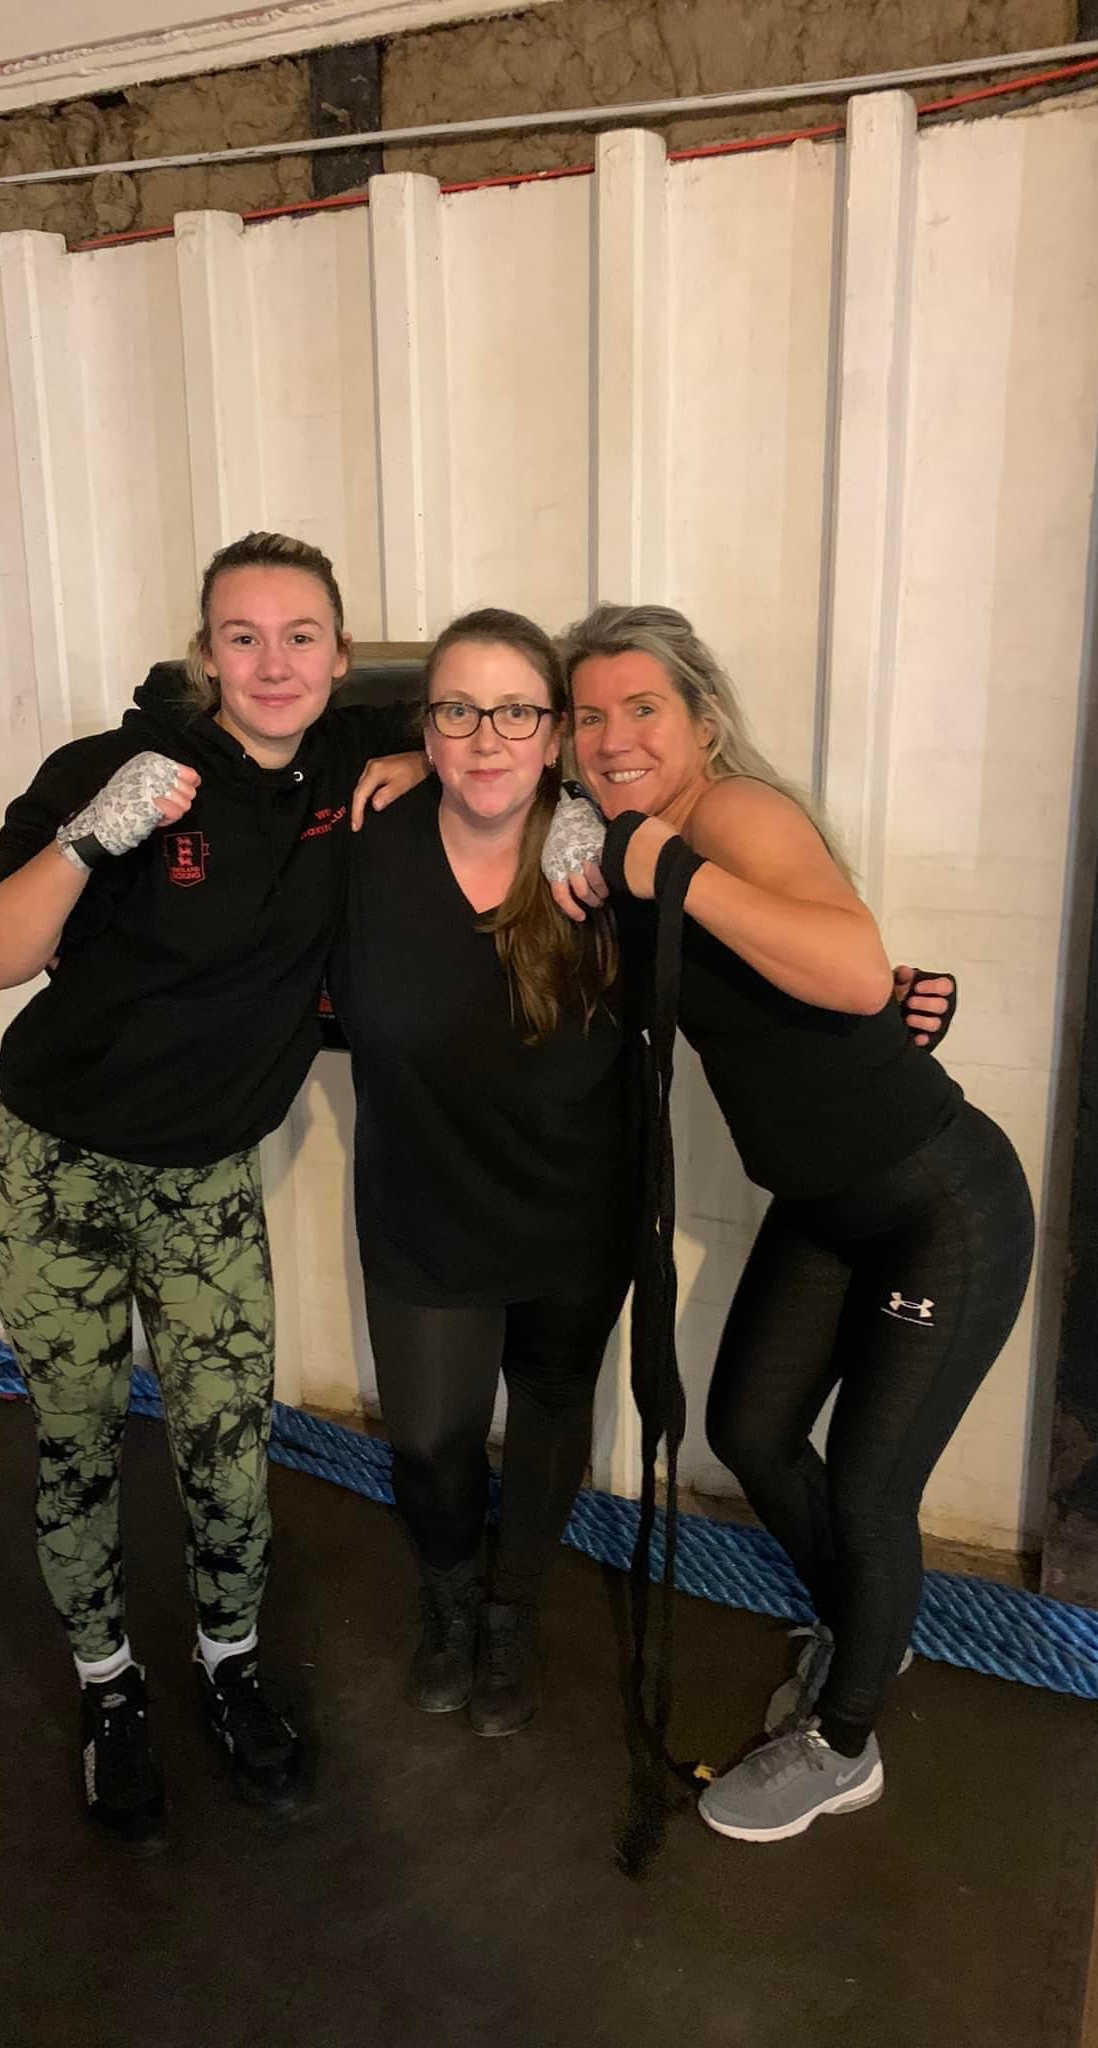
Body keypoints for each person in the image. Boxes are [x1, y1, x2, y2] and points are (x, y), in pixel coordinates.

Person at [0, 531, 423, 1851]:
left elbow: (509, 715)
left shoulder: (350, 759)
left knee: (228, 1445)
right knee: (79, 1437)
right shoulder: (111, 770)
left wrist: (423, 757)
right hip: (55, 1170)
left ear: (341, 655)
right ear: (204, 652)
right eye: (243, 636)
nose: (273, 663)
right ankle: (108, 1686)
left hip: (206, 1183)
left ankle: (229, 1663)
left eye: (301, 637)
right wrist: (88, 840)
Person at [546, 603, 1033, 1844]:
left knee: (870, 1485)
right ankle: (867, 1625)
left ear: (703, 719)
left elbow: (854, 968)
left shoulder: (730, 815)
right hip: (824, 1202)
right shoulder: (627, 835)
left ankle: (844, 1742)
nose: (613, 736)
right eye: (588, 715)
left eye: (642, 708)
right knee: (754, 1431)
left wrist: (674, 870)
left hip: (939, 1205)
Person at [326, 610, 635, 1737]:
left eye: (516, 712)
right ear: (424, 724)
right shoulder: (367, 840)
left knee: (550, 1413)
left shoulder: (605, 859)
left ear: (555, 732)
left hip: (575, 1207)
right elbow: (275, 724)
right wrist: (415, 761)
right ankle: (450, 1596)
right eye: (458, 711)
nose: (488, 736)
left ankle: (511, 1609)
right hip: (425, 1204)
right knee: (430, 1438)